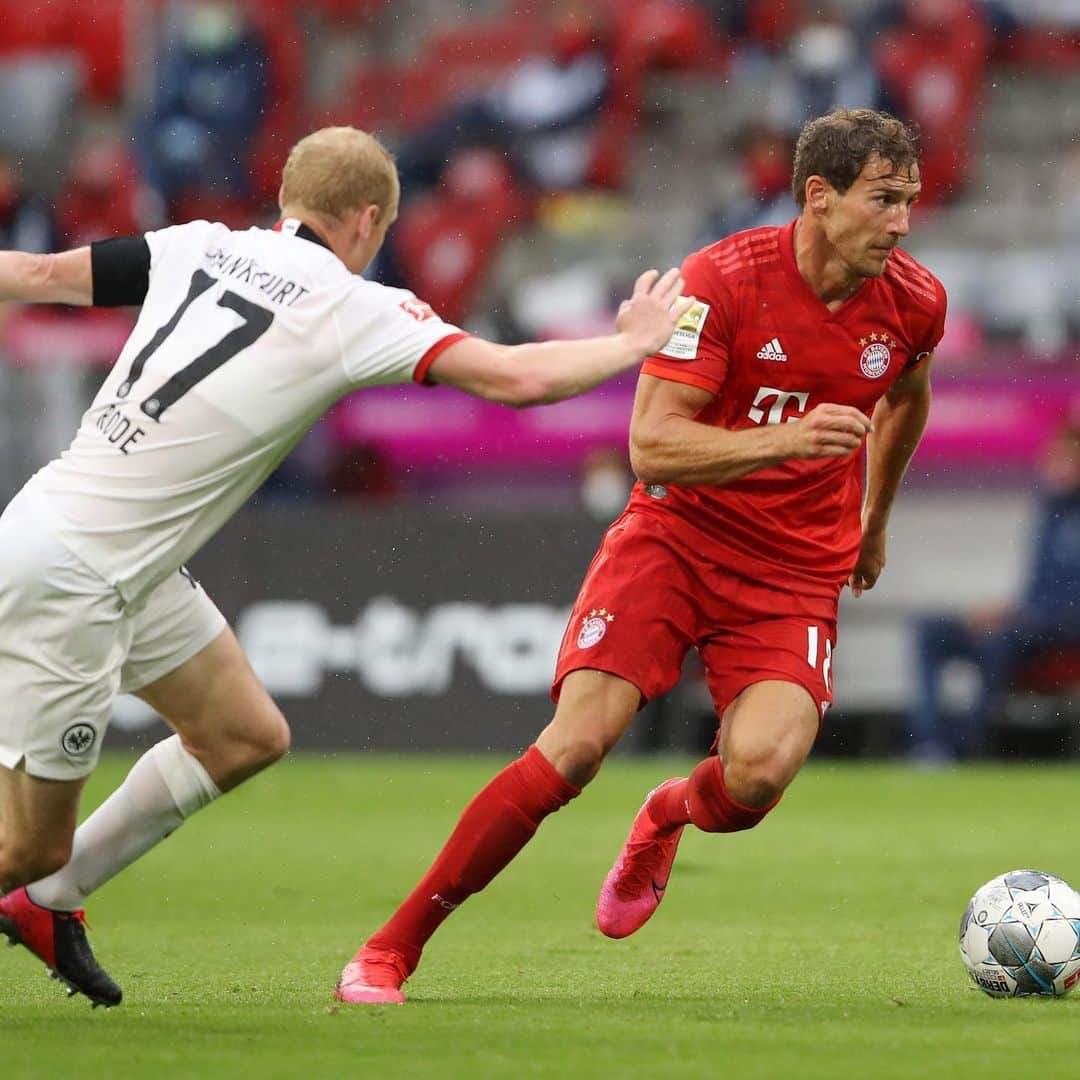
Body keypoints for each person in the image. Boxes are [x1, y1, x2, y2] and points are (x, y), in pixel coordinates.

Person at [0, 125, 689, 1008]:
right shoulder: (350, 305)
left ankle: (49, 905)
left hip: (79, 532)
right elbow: (517, 378)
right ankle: (39, 884)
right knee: (24, 845)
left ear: (289, 195)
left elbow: (40, 275)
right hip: (79, 579)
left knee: (244, 735)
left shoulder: (199, 241)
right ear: (368, 220)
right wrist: (630, 344)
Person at [337, 106, 946, 1005]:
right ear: (819, 197)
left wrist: (874, 517)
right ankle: (392, 946)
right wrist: (790, 443)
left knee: (759, 777)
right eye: (883, 201)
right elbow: (653, 446)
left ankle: (666, 812)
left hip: (793, 571)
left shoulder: (914, 299)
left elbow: (908, 399)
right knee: (576, 749)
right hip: (677, 538)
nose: (901, 223)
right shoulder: (724, 281)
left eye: (911, 202)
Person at [908, 415, 1080, 761]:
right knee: (930, 632)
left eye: (1062, 457)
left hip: (1063, 632)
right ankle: (931, 746)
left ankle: (971, 749)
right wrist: (1008, 613)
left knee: (995, 644)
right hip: (1029, 625)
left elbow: (1067, 602)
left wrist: (1022, 620)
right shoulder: (1052, 511)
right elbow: (1039, 588)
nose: (1050, 465)